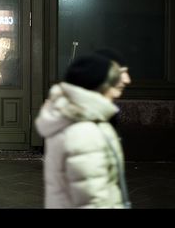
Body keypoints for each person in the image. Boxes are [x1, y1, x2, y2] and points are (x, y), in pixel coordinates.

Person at [35, 54, 131, 208]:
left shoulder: (76, 120)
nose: (125, 81)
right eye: (113, 81)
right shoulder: (84, 132)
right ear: (99, 85)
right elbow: (92, 200)